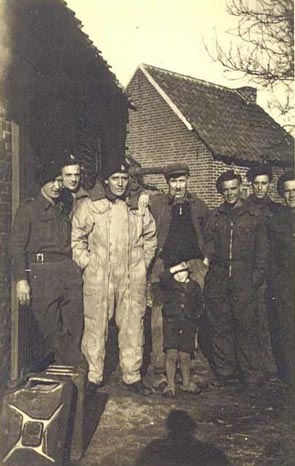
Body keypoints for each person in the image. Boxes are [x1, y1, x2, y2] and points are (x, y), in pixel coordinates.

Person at [71, 160, 157, 395]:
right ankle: (93, 375)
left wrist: (142, 264)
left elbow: (150, 236)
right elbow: (77, 237)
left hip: (131, 277)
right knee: (95, 324)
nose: (120, 183)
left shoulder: (137, 205)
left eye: (124, 178)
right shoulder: (91, 205)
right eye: (115, 178)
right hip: (100, 277)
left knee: (132, 325)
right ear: (106, 180)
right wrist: (88, 264)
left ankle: (132, 375)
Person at [11, 159, 86, 369]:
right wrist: (21, 280)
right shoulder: (28, 209)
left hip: (68, 272)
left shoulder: (64, 208)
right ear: (41, 183)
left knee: (74, 326)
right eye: (51, 181)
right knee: (50, 328)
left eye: (58, 181)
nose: (56, 186)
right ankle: (69, 373)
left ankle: (70, 378)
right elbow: (16, 247)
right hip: (42, 274)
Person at [203, 170, 267, 389]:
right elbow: (209, 242)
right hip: (219, 275)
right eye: (225, 190)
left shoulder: (254, 216)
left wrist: (255, 277)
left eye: (233, 188)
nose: (230, 193)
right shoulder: (215, 216)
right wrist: (209, 257)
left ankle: (251, 374)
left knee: (246, 326)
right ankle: (225, 372)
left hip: (244, 277)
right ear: (221, 192)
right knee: (221, 325)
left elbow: (262, 251)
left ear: (241, 188)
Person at [148, 163, 210, 390]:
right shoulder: (156, 204)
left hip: (194, 264)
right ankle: (160, 372)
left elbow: (209, 235)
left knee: (191, 316)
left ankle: (190, 371)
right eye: (173, 181)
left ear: (188, 181)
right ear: (167, 183)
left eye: (181, 180)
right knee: (160, 318)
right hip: (164, 265)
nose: (177, 185)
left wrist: (205, 259)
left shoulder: (199, 206)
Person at [246, 165, 282, 377]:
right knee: (250, 317)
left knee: (270, 318)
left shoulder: (277, 210)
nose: (260, 188)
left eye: (264, 183)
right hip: (249, 270)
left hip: (272, 271)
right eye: (256, 183)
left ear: (269, 184)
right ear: (251, 185)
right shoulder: (245, 207)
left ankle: (271, 365)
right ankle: (254, 366)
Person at [159, 258, 204, 398]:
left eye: (181, 271)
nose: (178, 274)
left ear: (188, 271)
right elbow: (163, 277)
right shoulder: (170, 285)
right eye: (175, 272)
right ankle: (170, 385)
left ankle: (186, 382)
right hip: (172, 323)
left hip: (188, 324)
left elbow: (199, 304)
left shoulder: (195, 287)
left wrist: (195, 317)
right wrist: (174, 267)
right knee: (171, 354)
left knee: (185, 355)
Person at [268, 171, 295, 388]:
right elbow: (272, 255)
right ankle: (290, 374)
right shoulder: (277, 220)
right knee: (287, 328)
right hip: (286, 283)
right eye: (287, 191)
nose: (292, 195)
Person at [59, 151, 88, 217]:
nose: (74, 179)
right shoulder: (55, 198)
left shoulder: (88, 198)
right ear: (60, 176)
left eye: (77, 175)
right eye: (68, 175)